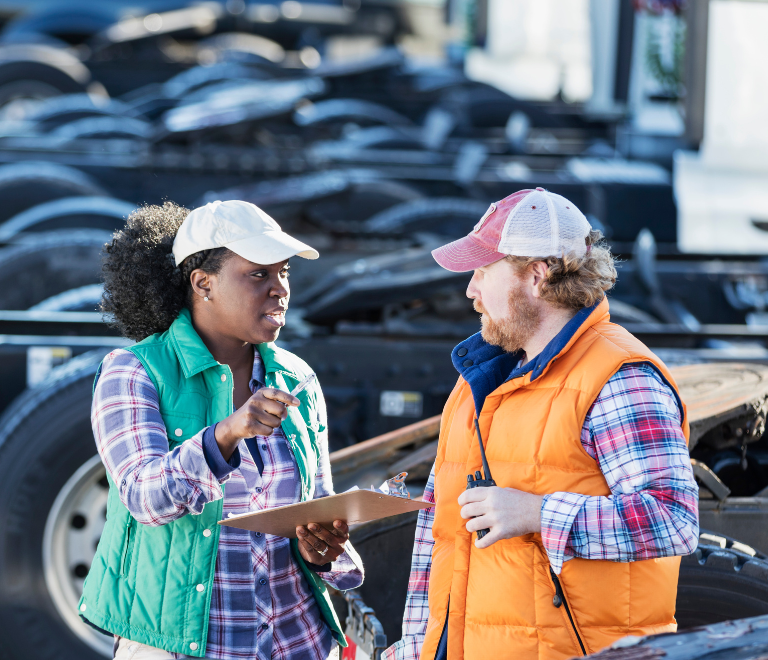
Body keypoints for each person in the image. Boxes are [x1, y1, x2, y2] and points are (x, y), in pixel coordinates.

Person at [384, 188, 699, 660]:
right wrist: (415, 650)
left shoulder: (620, 379)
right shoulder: (479, 383)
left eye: (484, 271)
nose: (470, 290)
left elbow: (673, 521)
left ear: (537, 275)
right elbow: (440, 536)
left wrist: (536, 514)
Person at [78, 200, 363, 660]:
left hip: (297, 643)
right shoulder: (133, 372)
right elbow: (144, 498)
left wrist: (321, 551)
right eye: (258, 275)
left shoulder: (296, 378)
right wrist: (225, 436)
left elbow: (317, 504)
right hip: (183, 647)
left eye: (284, 273)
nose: (280, 290)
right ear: (202, 283)